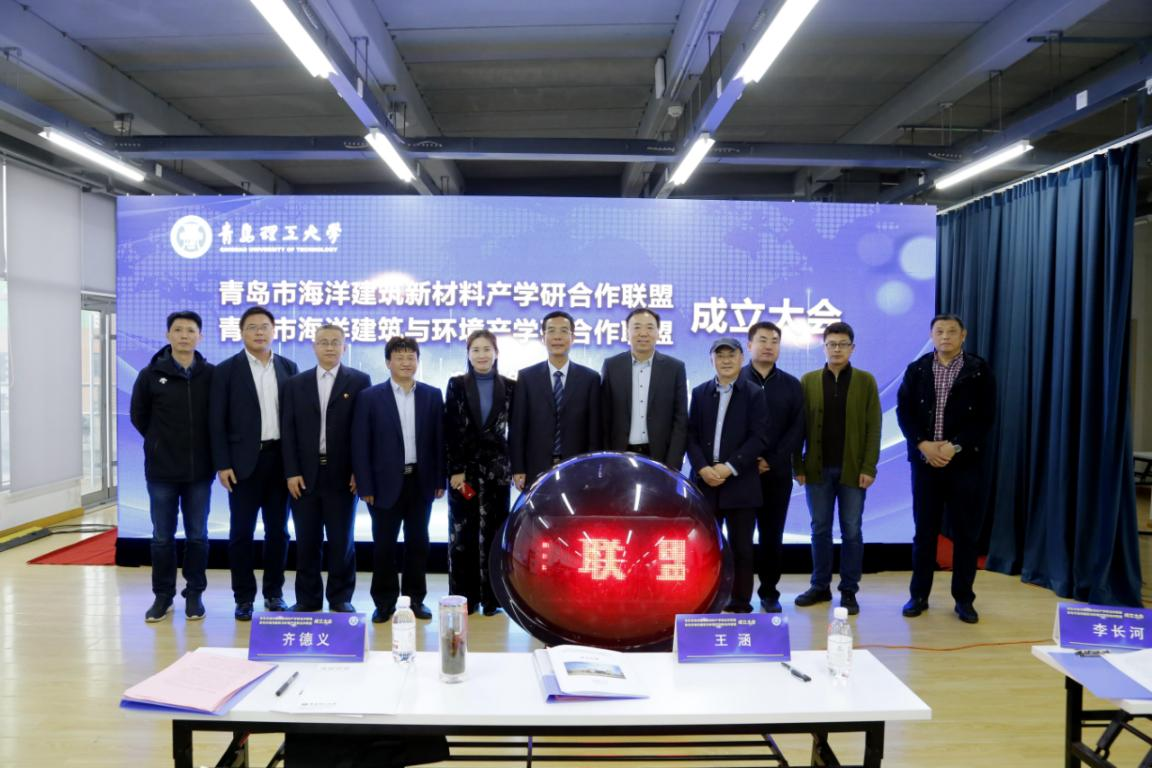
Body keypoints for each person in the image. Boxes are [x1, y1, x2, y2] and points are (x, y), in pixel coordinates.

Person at [896, 314, 995, 624]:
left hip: (963, 463)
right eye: (939, 331)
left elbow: (985, 418)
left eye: (952, 331)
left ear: (963, 335)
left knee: (966, 533)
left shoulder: (978, 370)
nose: (945, 336)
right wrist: (922, 444)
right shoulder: (917, 369)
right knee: (924, 532)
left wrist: (955, 446)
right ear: (931, 335)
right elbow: (904, 412)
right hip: (925, 462)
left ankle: (964, 599)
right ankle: (918, 596)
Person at [209, 306, 299, 621]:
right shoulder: (226, 370)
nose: (259, 332)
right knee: (241, 533)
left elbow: (295, 420)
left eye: (264, 327)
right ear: (241, 332)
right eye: (252, 327)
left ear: (273, 331)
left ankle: (274, 594)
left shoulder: (288, 367)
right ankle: (244, 598)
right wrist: (222, 463)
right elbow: (216, 421)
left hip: (280, 462)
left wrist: (295, 465)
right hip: (242, 465)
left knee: (278, 532)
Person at [351, 336, 446, 624]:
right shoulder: (370, 397)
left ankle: (415, 599)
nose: (406, 362)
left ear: (417, 361)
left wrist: (439, 479)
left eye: (411, 357)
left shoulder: (432, 395)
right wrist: (365, 485)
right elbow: (361, 444)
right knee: (384, 546)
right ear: (388, 362)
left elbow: (439, 441)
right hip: (382, 485)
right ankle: (384, 602)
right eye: (400, 357)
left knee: (418, 543)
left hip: (420, 481)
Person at [129, 311, 215, 623]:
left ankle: (194, 594)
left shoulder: (211, 375)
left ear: (200, 337)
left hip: (199, 472)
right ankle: (163, 596)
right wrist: (158, 442)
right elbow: (139, 416)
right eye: (178, 330)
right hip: (161, 471)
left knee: (197, 536)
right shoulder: (150, 375)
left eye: (190, 330)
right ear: (168, 335)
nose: (184, 336)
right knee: (162, 537)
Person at [280, 324, 371, 613]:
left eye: (335, 342)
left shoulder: (359, 381)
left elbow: (363, 430)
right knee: (307, 541)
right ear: (314, 346)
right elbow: (288, 430)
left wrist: (359, 471)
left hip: (343, 475)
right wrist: (291, 471)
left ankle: (340, 597)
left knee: (341, 541)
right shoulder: (295, 383)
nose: (329, 347)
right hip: (304, 475)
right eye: (323, 342)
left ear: (345, 347)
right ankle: (307, 599)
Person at [793, 321, 881, 616]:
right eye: (832, 344)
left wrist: (869, 466)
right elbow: (798, 427)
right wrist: (797, 465)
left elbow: (874, 427)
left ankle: (849, 590)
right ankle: (820, 586)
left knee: (851, 530)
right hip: (816, 470)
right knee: (819, 529)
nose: (837, 349)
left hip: (853, 471)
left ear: (852, 348)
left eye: (843, 344)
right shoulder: (808, 381)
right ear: (824, 347)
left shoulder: (865, 381)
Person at [686, 338, 769, 613]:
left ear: (741, 359)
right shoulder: (700, 393)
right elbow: (691, 436)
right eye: (719, 355)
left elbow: (759, 437)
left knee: (741, 547)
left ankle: (740, 601)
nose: (725, 360)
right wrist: (702, 468)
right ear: (711, 360)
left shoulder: (754, 393)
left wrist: (730, 467)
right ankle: (705, 598)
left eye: (731, 355)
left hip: (740, 482)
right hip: (706, 481)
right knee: (705, 546)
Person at [444, 330, 515, 616]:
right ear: (468, 354)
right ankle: (465, 598)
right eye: (476, 350)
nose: (482, 355)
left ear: (496, 353)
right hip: (465, 472)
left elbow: (516, 430)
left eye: (487, 349)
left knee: (495, 534)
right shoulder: (456, 385)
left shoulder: (510, 387)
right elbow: (451, 428)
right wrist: (456, 469)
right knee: (462, 536)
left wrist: (516, 468)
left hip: (497, 471)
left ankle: (492, 600)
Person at [739, 321, 804, 613]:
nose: (768, 346)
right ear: (749, 345)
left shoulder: (791, 385)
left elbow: (797, 429)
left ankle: (769, 592)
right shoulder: (735, 380)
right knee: (740, 537)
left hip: (776, 474)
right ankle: (737, 594)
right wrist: (748, 460)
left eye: (774, 341)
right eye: (762, 340)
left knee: (772, 535)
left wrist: (772, 460)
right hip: (741, 474)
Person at [510, 311, 601, 489]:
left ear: (573, 338)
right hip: (536, 466)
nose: (557, 337)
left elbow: (594, 431)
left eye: (564, 331)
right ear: (543, 338)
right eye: (551, 331)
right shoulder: (527, 377)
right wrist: (518, 467)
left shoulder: (590, 378)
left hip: (577, 466)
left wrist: (592, 467)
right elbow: (518, 427)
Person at [600, 307, 688, 470]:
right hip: (619, 454)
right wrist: (607, 459)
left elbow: (680, 419)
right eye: (637, 327)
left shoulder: (674, 368)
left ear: (658, 332)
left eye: (649, 327)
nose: (643, 333)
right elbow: (604, 418)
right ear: (627, 332)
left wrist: (673, 463)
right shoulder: (612, 366)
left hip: (660, 456)